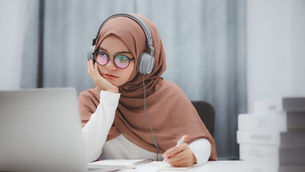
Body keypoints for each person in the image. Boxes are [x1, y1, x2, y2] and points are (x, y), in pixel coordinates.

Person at [78, 13, 217, 167]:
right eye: (102, 55)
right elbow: (84, 155)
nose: (109, 66)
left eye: (122, 58)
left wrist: (192, 154)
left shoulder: (168, 94)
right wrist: (109, 96)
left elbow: (202, 143)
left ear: (144, 63)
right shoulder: (90, 99)